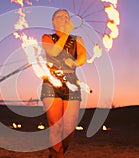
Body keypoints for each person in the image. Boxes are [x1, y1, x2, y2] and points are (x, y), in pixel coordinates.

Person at [41, 9, 87, 158]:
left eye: (66, 16)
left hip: (72, 83)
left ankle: (56, 153)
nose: (63, 18)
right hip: (52, 84)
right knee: (56, 127)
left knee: (69, 129)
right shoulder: (47, 37)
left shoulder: (77, 39)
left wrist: (74, 62)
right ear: (53, 21)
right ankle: (57, 155)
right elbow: (54, 52)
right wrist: (66, 33)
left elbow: (82, 57)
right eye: (59, 16)